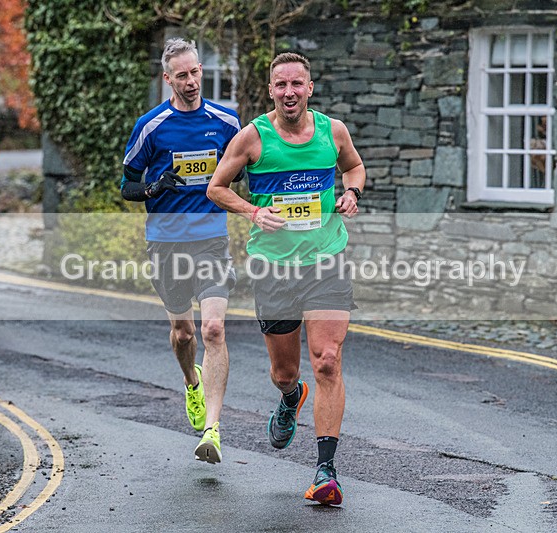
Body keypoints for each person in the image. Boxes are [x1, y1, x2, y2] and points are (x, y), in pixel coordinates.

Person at [207, 51, 365, 505]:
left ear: (309, 88)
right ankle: (291, 396)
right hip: (274, 269)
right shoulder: (253, 138)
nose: (289, 92)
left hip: (325, 261)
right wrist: (253, 211)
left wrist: (351, 191)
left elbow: (354, 167)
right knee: (284, 372)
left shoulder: (333, 131)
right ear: (271, 90)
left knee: (328, 360)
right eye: (281, 84)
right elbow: (216, 188)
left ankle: (325, 471)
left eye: (297, 84)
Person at [120, 38, 243, 464]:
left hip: (211, 239)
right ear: (167, 79)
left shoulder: (226, 121)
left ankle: (212, 429)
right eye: (182, 75)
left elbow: (244, 168)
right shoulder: (151, 126)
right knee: (184, 333)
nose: (191, 81)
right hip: (166, 242)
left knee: (213, 330)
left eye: (195, 72)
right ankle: (191, 383)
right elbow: (127, 184)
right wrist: (153, 188)